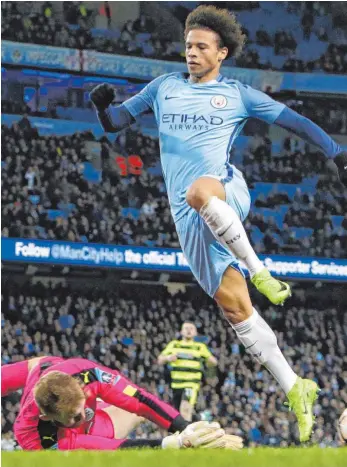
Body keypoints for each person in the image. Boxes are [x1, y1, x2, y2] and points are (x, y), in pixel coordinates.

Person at [90, 5, 347, 442]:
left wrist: (336, 153)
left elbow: (296, 121)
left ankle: (261, 271)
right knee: (234, 307)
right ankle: (296, 387)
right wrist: (102, 107)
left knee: (199, 190)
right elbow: (116, 122)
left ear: (221, 52)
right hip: (188, 218)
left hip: (224, 190)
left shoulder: (239, 95)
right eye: (188, 45)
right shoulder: (162, 87)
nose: (190, 53)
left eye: (200, 47)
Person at [2, 357, 242, 451]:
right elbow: (106, 447)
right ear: (48, 417)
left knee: (138, 412)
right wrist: (171, 443)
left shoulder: (87, 373)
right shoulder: (34, 435)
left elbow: (140, 400)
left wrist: (186, 428)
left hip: (50, 369)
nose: (81, 417)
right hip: (72, 445)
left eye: (82, 409)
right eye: (74, 417)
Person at [158, 321, 217, 421]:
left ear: (195, 333)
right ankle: (199, 418)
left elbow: (213, 361)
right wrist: (168, 358)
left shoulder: (199, 347)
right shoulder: (174, 345)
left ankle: (186, 435)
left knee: (185, 409)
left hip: (191, 384)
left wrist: (205, 363)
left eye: (191, 328)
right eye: (186, 328)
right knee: (178, 414)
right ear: (181, 332)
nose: (189, 330)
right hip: (176, 385)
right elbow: (160, 359)